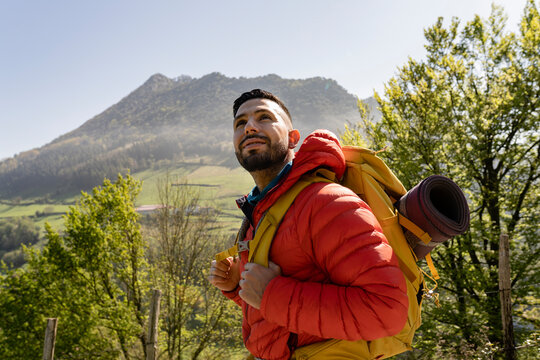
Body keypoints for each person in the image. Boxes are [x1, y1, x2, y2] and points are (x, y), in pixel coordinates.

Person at [208, 89, 408, 360]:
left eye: (264, 117)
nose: (250, 127)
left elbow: (386, 310)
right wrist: (238, 287)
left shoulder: (326, 202)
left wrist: (271, 294)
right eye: (240, 124)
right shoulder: (265, 211)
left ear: (293, 139)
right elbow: (286, 318)